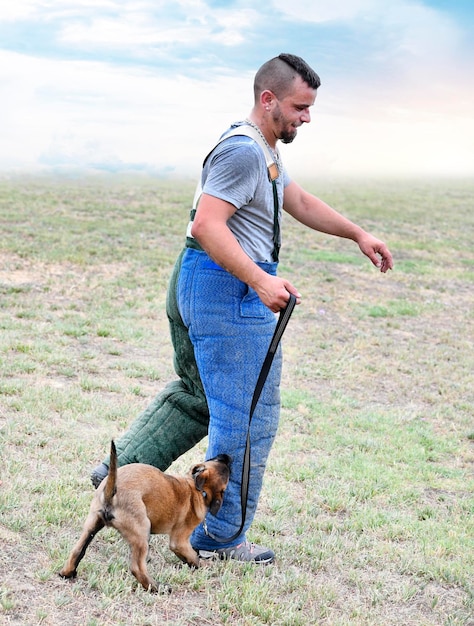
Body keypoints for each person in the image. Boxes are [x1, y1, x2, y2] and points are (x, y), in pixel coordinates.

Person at [91, 53, 393, 563]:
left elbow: (294, 199)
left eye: (311, 108)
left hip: (199, 281)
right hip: (225, 287)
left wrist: (358, 234)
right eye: (300, 106)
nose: (307, 117)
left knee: (199, 396)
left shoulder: (263, 150)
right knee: (250, 418)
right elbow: (208, 225)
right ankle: (220, 536)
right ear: (267, 99)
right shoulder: (242, 151)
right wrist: (258, 279)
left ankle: (116, 478)